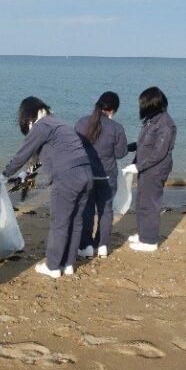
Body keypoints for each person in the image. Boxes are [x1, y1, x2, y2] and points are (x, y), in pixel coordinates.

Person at [1, 97, 92, 279]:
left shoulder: (41, 126)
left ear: (27, 116)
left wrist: (6, 173)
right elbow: (40, 155)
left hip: (66, 177)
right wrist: (25, 174)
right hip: (86, 174)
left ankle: (53, 266)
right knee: (76, 221)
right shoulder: (58, 123)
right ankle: (67, 264)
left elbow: (24, 152)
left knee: (60, 221)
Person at [75, 91, 128, 259]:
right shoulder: (117, 128)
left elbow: (74, 148)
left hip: (86, 175)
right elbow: (120, 153)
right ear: (113, 110)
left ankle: (87, 246)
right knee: (106, 211)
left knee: (87, 211)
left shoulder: (82, 123)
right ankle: (103, 246)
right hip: (107, 177)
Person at [123, 86, 177, 252]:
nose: (141, 107)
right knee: (141, 202)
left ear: (152, 104)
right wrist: (126, 148)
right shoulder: (152, 120)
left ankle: (150, 241)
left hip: (155, 170)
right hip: (146, 169)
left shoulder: (165, 125)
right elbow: (144, 143)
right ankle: (143, 234)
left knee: (150, 204)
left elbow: (158, 153)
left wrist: (138, 167)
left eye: (143, 104)